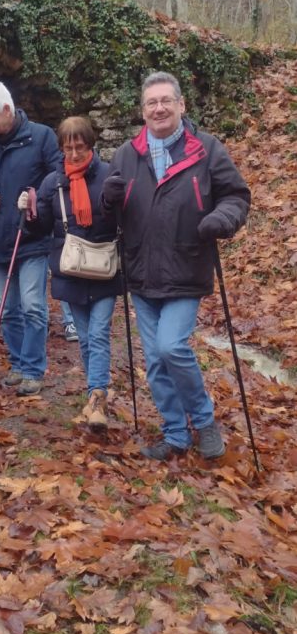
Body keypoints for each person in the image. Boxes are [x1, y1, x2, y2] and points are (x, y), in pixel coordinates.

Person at [101, 71, 251, 461]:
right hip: (141, 270)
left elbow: (236, 195)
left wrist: (223, 219)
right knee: (154, 361)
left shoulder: (207, 148)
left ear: (182, 105)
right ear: (143, 110)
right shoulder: (126, 154)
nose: (159, 108)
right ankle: (175, 435)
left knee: (172, 347)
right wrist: (108, 199)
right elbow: (111, 212)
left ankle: (203, 423)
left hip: (187, 266)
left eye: (166, 100)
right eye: (151, 103)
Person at [19, 116, 121, 433]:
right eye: (68, 148)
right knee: (87, 338)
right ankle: (96, 393)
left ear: (90, 145)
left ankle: (97, 397)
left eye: (79, 147)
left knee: (99, 333)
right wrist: (29, 211)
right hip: (72, 270)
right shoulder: (54, 182)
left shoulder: (108, 176)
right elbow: (40, 228)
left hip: (104, 268)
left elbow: (123, 218)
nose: (74, 154)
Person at [0, 81, 60, 396]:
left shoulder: (42, 137)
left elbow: (59, 177)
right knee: (7, 309)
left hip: (31, 236)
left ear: (7, 109)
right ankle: (17, 364)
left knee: (32, 305)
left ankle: (33, 369)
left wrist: (35, 199)